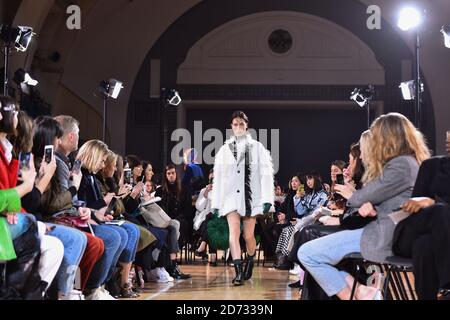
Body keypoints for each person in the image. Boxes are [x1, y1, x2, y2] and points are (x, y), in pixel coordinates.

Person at [298, 113, 430, 300]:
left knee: (308, 253)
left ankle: (362, 293)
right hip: (391, 232)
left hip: (384, 237)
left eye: (375, 137)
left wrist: (360, 197)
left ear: (387, 138)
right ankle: (362, 292)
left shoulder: (400, 165)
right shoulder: (411, 162)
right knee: (315, 251)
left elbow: (359, 198)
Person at [211, 111, 274, 286]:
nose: (238, 127)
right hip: (230, 198)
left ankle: (251, 259)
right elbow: (219, 177)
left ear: (247, 125)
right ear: (231, 127)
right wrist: (216, 202)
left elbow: (266, 174)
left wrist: (267, 198)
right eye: (235, 124)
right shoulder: (224, 150)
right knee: (234, 233)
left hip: (250, 198)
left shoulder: (258, 148)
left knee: (248, 236)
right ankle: (238, 271)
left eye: (241, 124)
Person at [392, 131, 450, 299]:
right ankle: (447, 286)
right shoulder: (431, 166)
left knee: (424, 246)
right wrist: (430, 204)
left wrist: (433, 201)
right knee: (439, 213)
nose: (447, 138)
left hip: (434, 240)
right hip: (412, 231)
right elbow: (413, 207)